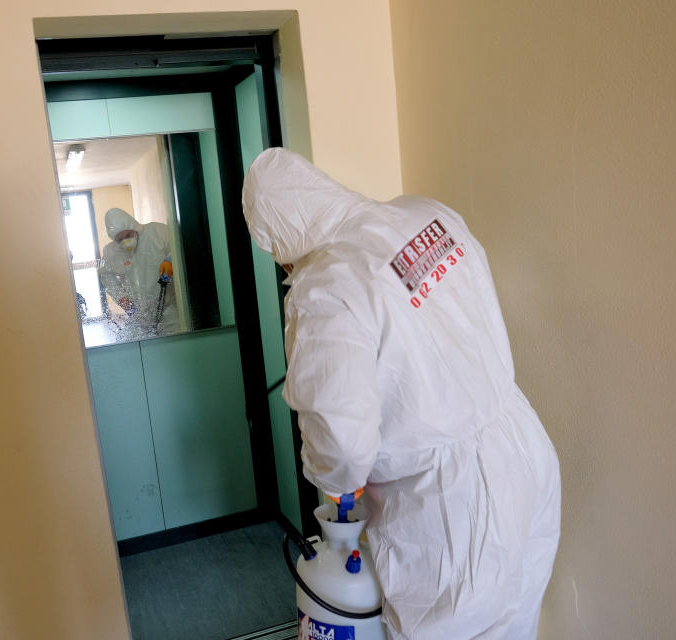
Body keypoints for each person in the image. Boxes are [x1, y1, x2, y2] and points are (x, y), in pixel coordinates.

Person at [242, 148, 560, 640]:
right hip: (523, 446)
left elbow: (341, 446)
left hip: (452, 509)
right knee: (518, 622)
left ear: (277, 236)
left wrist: (336, 483)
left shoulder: (324, 287)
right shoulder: (424, 213)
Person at [99, 207, 178, 338]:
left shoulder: (157, 232)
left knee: (176, 343)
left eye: (128, 235)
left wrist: (170, 260)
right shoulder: (111, 252)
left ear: (134, 227)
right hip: (140, 315)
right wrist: (121, 297)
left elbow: (176, 246)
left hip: (169, 308)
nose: (125, 241)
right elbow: (106, 275)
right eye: (120, 239)